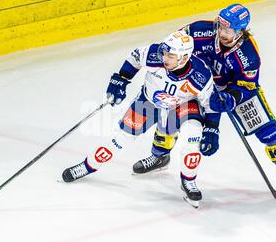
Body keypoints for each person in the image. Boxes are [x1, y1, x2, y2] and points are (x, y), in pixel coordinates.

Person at [134, 4, 276, 199]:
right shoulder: (197, 30)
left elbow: (247, 85)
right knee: (172, 116)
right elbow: (169, 48)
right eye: (219, 26)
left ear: (240, 32)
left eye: (227, 29)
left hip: (230, 91)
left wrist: (232, 97)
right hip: (195, 84)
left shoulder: (249, 54)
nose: (221, 32)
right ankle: (159, 155)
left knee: (267, 130)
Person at [61, 31, 215, 207]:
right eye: (165, 52)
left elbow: (210, 104)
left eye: (171, 55)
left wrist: (211, 128)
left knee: (192, 141)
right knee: (121, 139)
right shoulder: (154, 54)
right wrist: (122, 78)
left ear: (184, 58)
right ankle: (88, 166)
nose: (165, 57)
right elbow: (135, 57)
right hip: (148, 102)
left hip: (184, 106)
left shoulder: (201, 76)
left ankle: (188, 181)